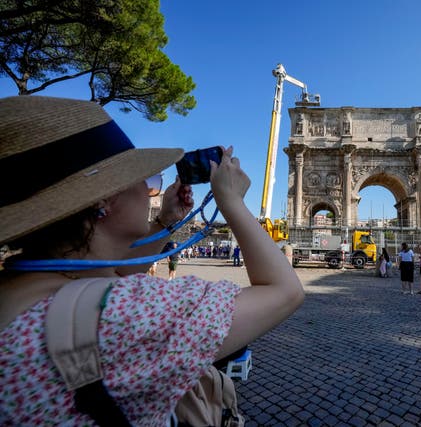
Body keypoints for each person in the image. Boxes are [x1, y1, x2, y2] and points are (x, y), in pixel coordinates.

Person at [0, 96, 304, 425]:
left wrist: (164, 222)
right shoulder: (124, 313)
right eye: (145, 182)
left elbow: (114, 272)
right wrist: (231, 202)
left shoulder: (23, 284)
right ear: (104, 199)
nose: (152, 190)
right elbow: (284, 290)